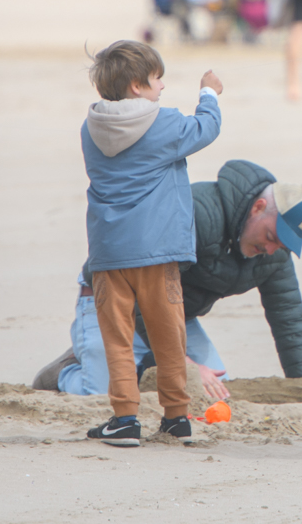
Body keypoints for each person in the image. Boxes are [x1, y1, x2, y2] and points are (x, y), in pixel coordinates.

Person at [33, 160, 302, 403]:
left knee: (214, 393)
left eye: (283, 245)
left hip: (172, 311)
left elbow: (290, 321)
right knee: (104, 397)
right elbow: (147, 289)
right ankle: (64, 373)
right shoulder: (196, 215)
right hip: (113, 297)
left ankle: (141, 364)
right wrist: (183, 363)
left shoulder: (273, 256)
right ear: (258, 208)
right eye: (271, 236)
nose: (271, 249)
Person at [80, 41, 222, 447]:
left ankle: (125, 418)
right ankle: (177, 417)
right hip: (158, 251)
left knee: (118, 340)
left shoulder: (90, 128)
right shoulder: (165, 124)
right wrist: (209, 92)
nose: (162, 85)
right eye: (157, 78)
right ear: (138, 85)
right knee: (168, 336)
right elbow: (206, 128)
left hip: (108, 252)